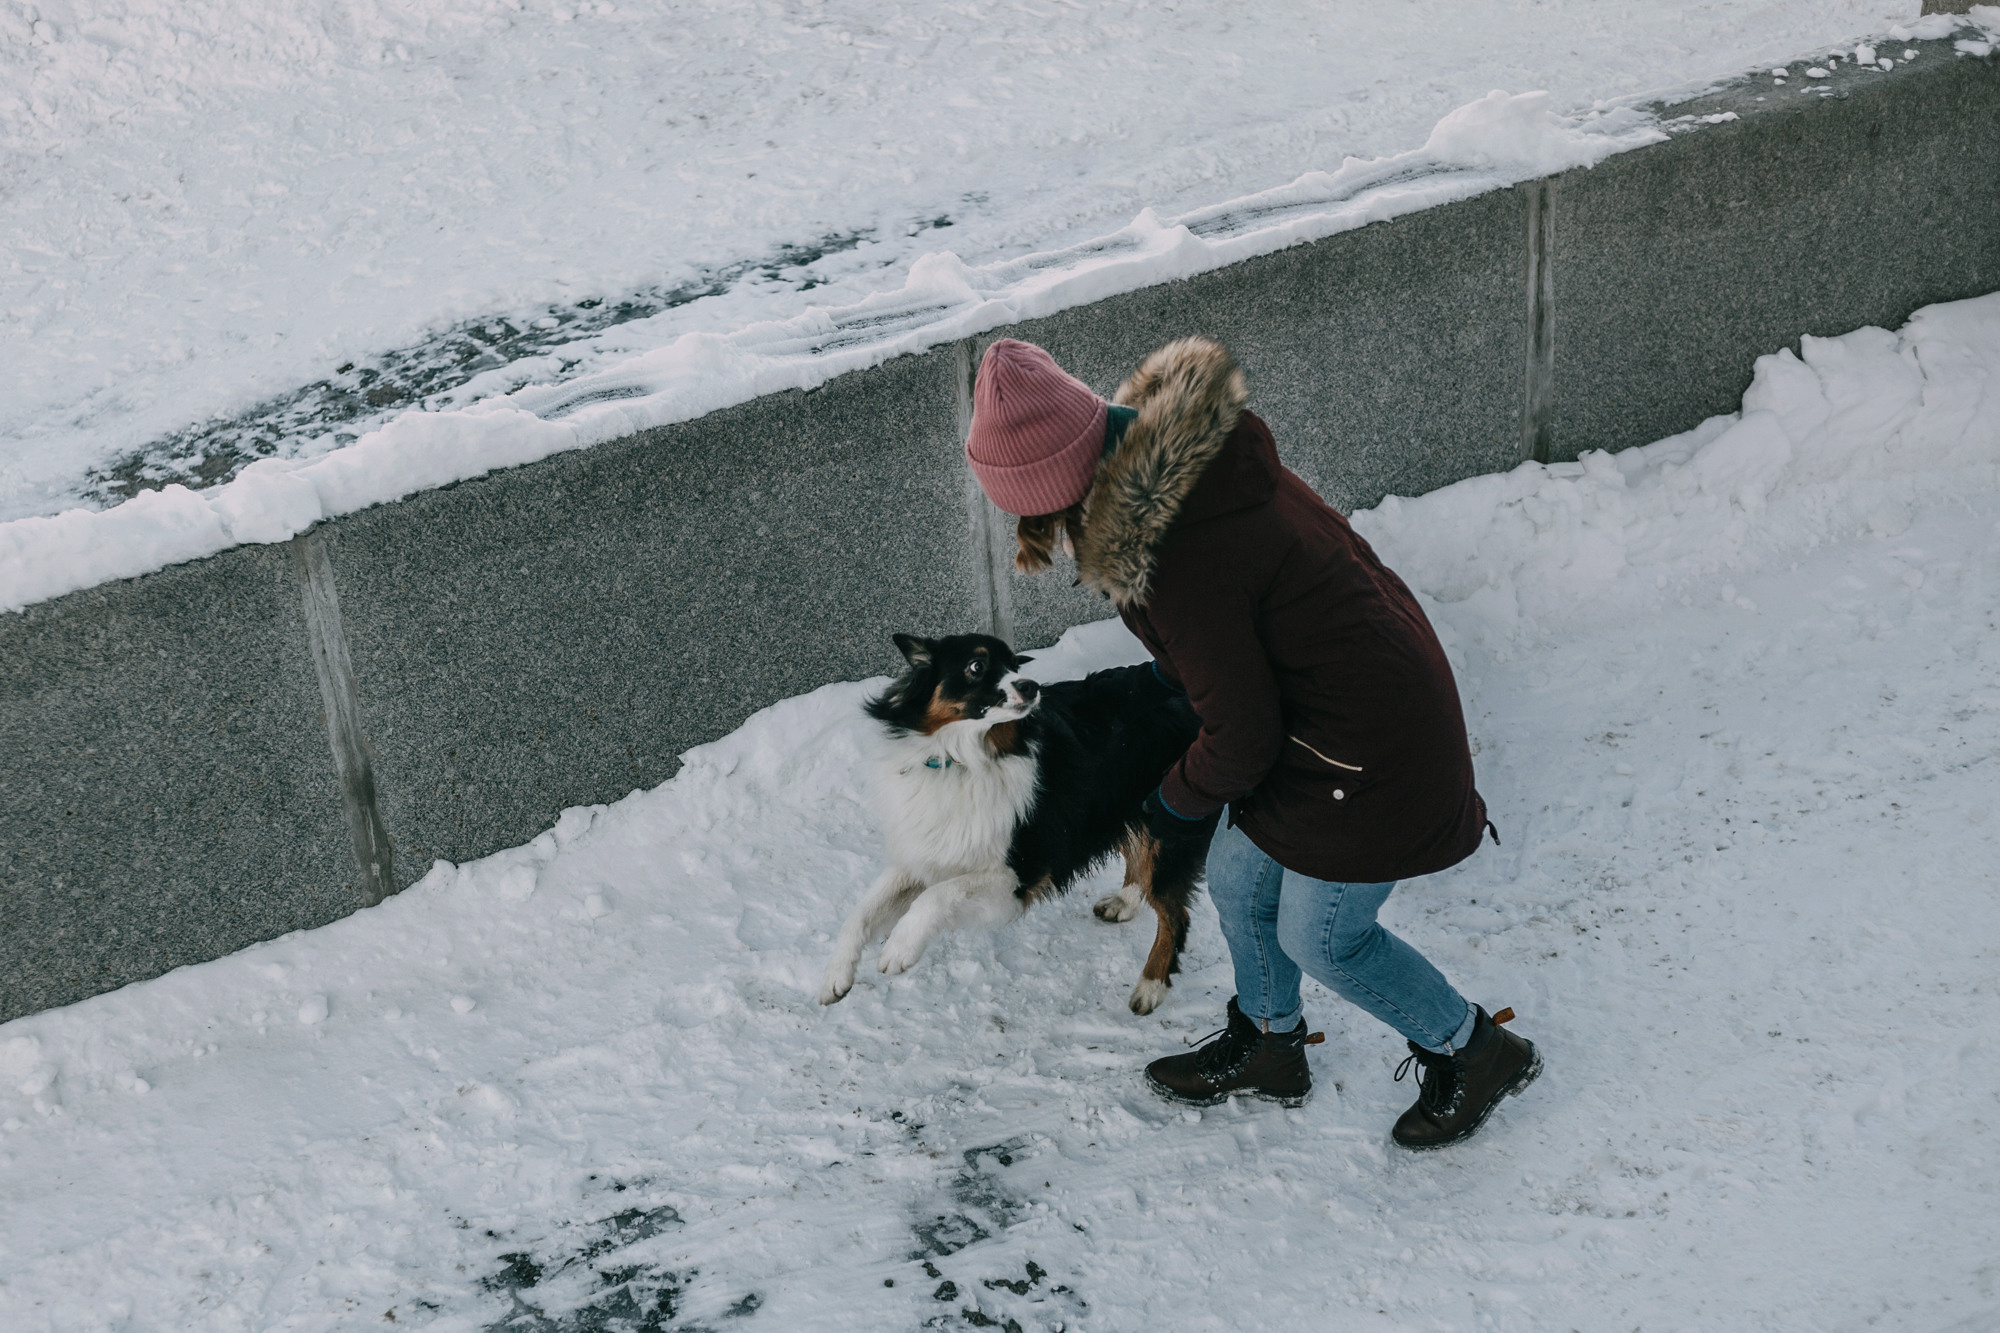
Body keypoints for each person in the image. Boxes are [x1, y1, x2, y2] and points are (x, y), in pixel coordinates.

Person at [961, 335, 1541, 1149]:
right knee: (1237, 877)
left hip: (1370, 745)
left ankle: (1475, 1049)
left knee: (1326, 936)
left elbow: (1240, 734)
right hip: (1330, 716)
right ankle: (1272, 1046)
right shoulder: (1175, 472)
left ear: (1049, 486)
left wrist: (1166, 801)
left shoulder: (1174, 548)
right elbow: (1227, 662)